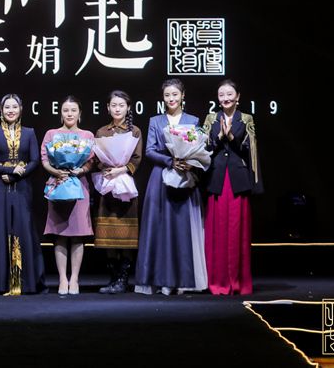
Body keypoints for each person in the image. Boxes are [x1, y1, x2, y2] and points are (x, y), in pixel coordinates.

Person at [134, 79, 207, 295]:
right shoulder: (155, 121)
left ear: (183, 95)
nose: (171, 99)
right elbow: (149, 150)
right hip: (161, 178)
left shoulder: (193, 120)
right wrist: (170, 161)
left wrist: (190, 162)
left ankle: (183, 280)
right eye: (167, 95)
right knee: (160, 229)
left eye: (175, 94)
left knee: (182, 229)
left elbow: (200, 148)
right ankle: (161, 280)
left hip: (185, 178)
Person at [202, 79, 263, 295]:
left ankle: (238, 282)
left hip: (238, 179)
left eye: (229, 94)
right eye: (222, 95)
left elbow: (250, 150)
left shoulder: (246, 119)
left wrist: (232, 136)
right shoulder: (211, 118)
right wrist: (220, 137)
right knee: (217, 230)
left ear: (238, 97)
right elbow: (204, 149)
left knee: (238, 230)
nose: (225, 98)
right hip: (217, 178)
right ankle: (216, 281)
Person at [0, 94, 46, 295]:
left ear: (21, 109)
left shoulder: (29, 133)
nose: (11, 110)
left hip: (22, 187)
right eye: (7, 107)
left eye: (14, 107)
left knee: (23, 229)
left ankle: (25, 283)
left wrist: (18, 174)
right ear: (1, 110)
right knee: (1, 229)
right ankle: (1, 283)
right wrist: (9, 170)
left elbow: (35, 161)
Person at [41, 96, 94, 295]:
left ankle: (75, 279)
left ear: (79, 113)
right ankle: (63, 279)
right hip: (58, 185)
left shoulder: (87, 135)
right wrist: (57, 172)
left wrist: (81, 170)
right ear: (61, 113)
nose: (69, 114)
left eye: (73, 110)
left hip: (79, 187)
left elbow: (91, 161)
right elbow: (44, 159)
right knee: (60, 235)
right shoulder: (51, 134)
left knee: (78, 235)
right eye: (65, 110)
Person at [92, 90, 143, 294]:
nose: (117, 109)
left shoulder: (134, 131)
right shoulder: (101, 131)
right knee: (108, 235)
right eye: (113, 105)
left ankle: (123, 279)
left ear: (128, 108)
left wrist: (122, 169)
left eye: (121, 105)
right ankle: (113, 278)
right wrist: (105, 167)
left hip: (125, 188)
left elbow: (137, 158)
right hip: (107, 186)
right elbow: (96, 158)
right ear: (107, 108)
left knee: (126, 236)